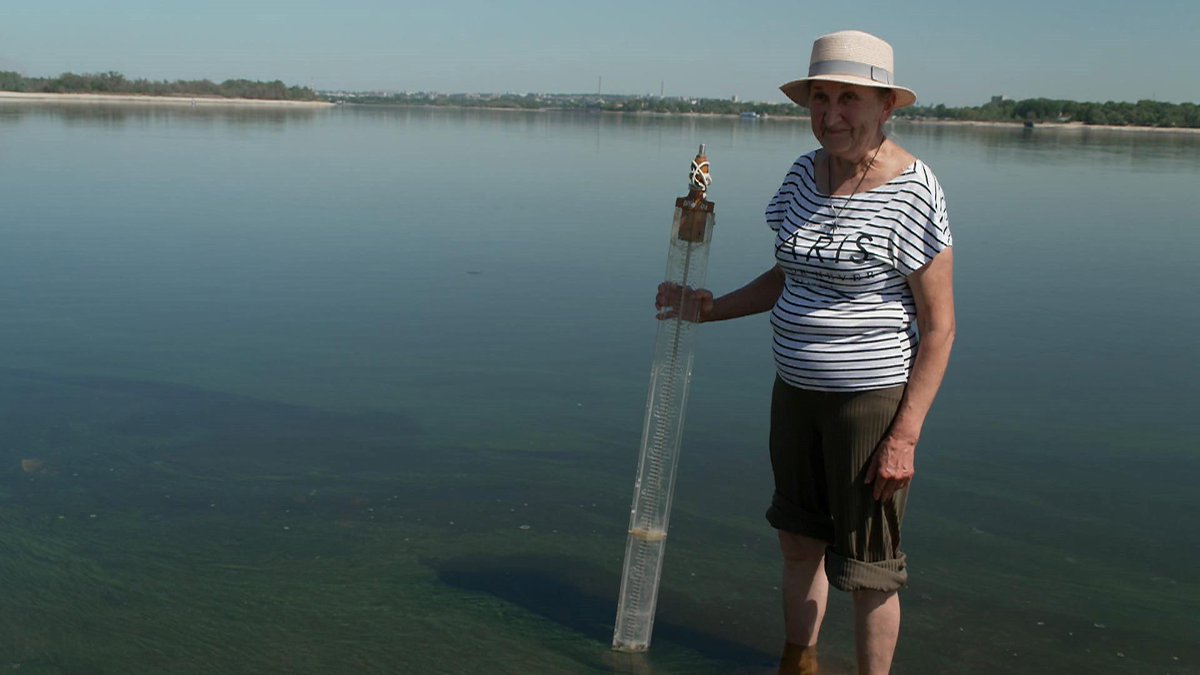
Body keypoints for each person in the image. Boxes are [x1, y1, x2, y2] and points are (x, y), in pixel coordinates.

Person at [655, 30, 955, 674]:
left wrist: (905, 436)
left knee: (870, 566)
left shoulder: (914, 189)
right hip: (793, 393)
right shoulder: (802, 173)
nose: (831, 114)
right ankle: (799, 663)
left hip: (868, 405)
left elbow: (939, 327)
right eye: (820, 98)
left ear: (885, 108)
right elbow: (786, 275)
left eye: (849, 99)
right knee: (798, 542)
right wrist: (708, 307)